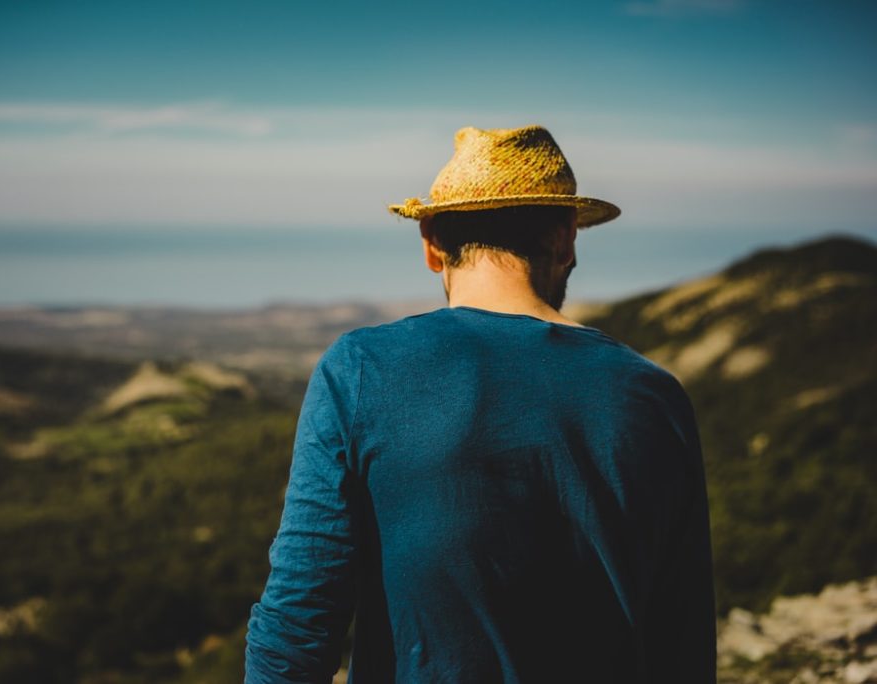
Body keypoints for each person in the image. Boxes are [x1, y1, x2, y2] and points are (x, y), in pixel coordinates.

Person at [245, 125, 716, 683]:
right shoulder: (654, 396)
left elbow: (300, 616)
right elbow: (682, 639)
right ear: (565, 238)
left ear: (431, 243)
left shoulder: (364, 368)